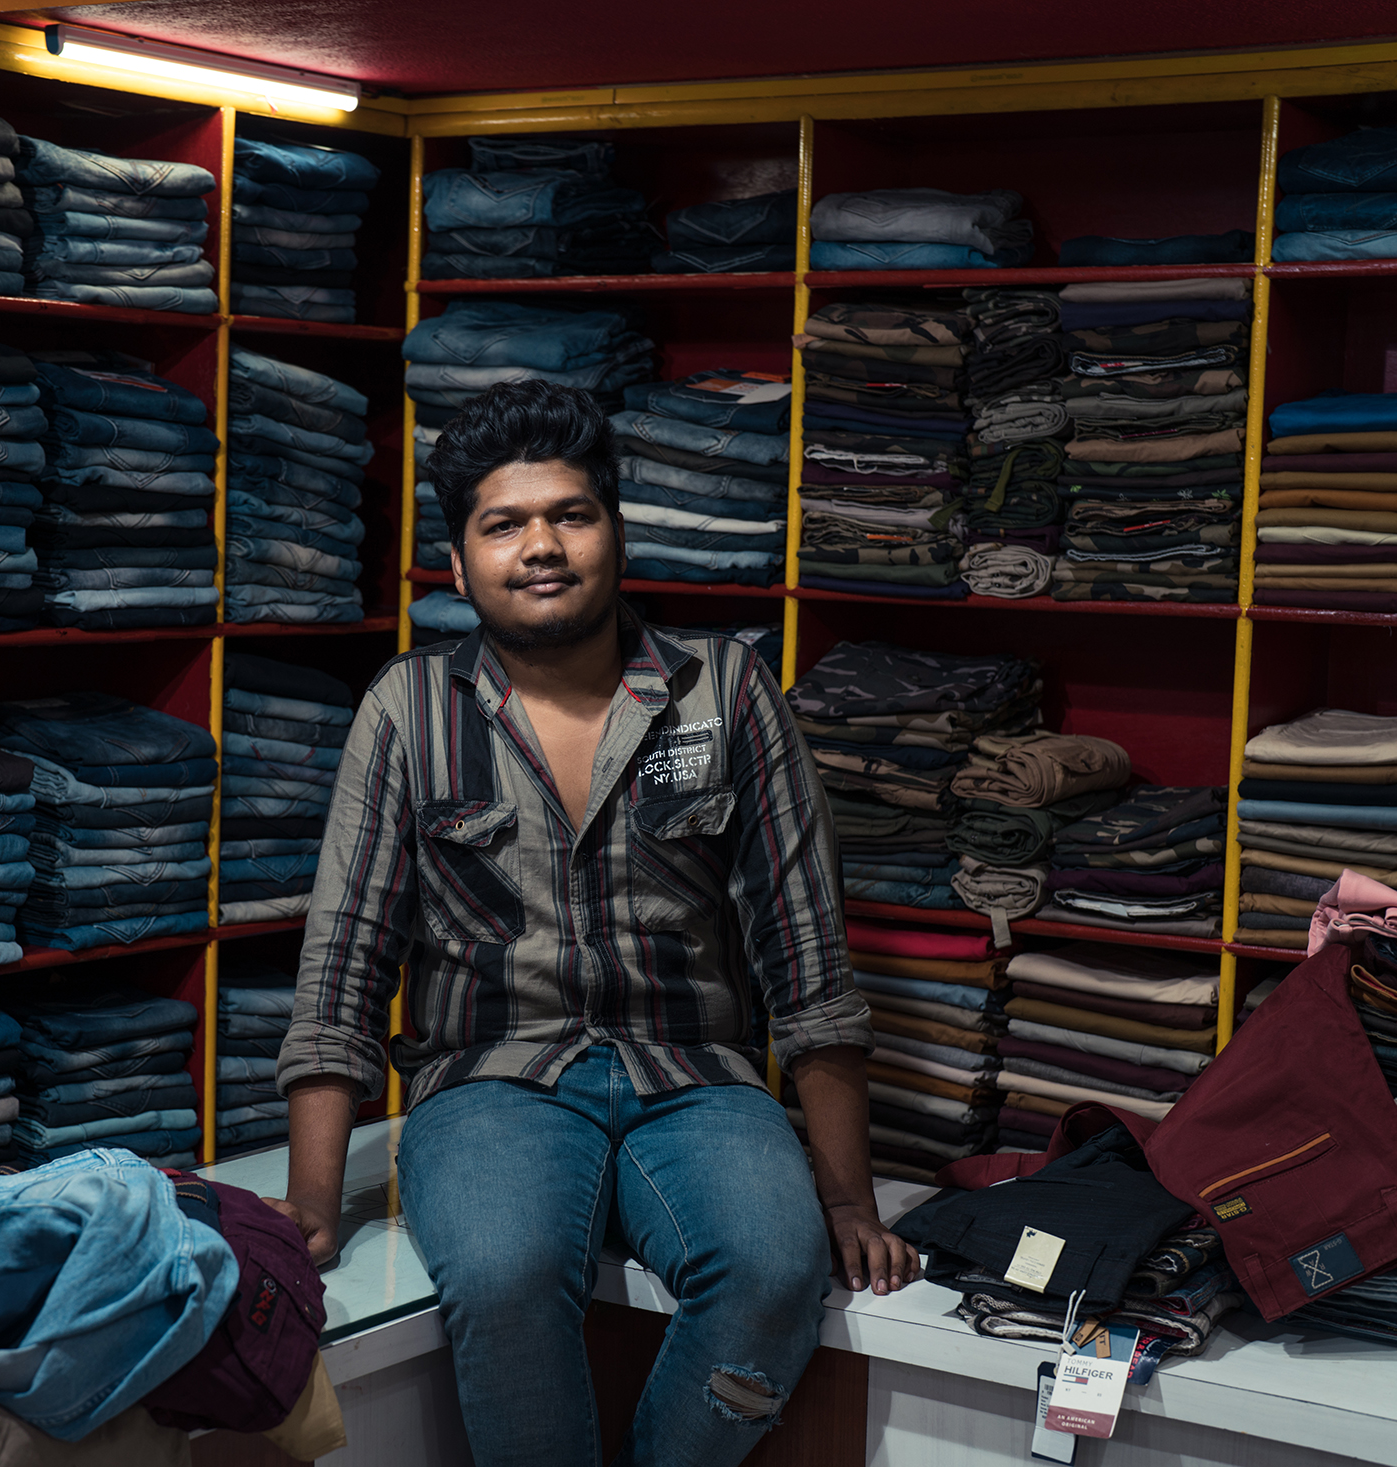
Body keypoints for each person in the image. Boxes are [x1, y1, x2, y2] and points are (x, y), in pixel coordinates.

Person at [268, 379, 916, 1466]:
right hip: (488, 1080)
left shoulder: (728, 693)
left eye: (571, 514)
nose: (541, 546)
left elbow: (805, 955)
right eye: (504, 524)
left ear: (615, 531)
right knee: (506, 1273)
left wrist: (845, 1192)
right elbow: (343, 962)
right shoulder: (409, 709)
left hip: (694, 1075)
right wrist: (312, 1203)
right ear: (461, 558)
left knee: (772, 1271)